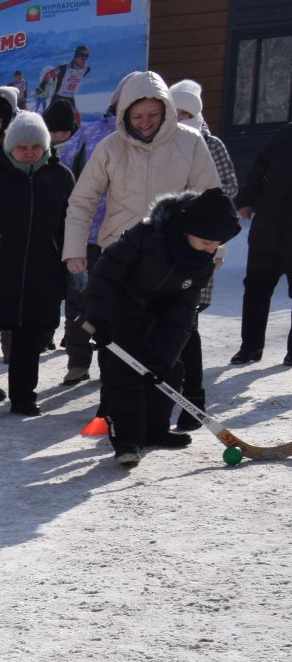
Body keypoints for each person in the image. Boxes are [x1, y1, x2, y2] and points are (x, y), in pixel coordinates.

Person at [86, 188, 243, 465]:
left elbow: (183, 311)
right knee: (124, 378)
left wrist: (163, 356)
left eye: (217, 243)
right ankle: (128, 441)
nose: (212, 248)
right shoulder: (146, 236)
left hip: (160, 319)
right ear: (186, 229)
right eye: (207, 241)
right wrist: (99, 317)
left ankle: (156, 431)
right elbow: (105, 273)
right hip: (120, 314)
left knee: (168, 372)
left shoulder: (203, 262)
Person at [63, 72, 218, 347]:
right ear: (124, 114)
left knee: (171, 333)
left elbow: (210, 201)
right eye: (137, 116)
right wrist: (74, 250)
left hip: (174, 252)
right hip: (121, 253)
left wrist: (213, 246)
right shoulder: (109, 147)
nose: (145, 123)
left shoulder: (190, 142)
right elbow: (82, 200)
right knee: (120, 331)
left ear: (166, 111)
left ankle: (168, 387)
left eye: (153, 115)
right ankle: (119, 386)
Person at [0, 111, 73, 419]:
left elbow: (71, 225)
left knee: (29, 343)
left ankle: (23, 398)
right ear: (10, 147)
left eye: (36, 146)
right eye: (22, 146)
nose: (29, 151)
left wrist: (73, 263)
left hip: (42, 274)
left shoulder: (60, 176)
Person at [169, 80, 240, 420]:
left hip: (201, 246)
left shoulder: (211, 145)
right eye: (175, 112)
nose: (180, 118)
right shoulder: (163, 144)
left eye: (186, 113)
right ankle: (158, 396)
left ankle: (192, 398)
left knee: (188, 321)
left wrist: (197, 204)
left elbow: (228, 188)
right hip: (166, 246)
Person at [55, 97, 116, 383]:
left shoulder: (159, 140)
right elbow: (64, 173)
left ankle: (116, 364)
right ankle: (78, 361)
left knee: (118, 307)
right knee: (79, 303)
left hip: (129, 238)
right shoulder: (89, 134)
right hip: (86, 235)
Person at [232, 121, 292, 366]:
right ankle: (250, 347)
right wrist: (246, 199)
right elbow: (259, 166)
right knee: (256, 289)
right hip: (268, 227)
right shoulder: (286, 132)